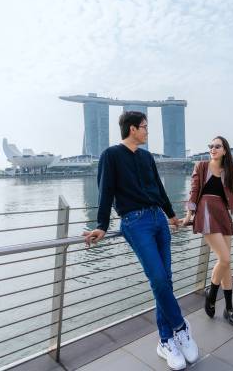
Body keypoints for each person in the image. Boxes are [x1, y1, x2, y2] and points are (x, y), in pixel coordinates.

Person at [83, 111, 198, 370]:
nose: (147, 132)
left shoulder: (147, 157)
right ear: (132, 129)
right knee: (157, 279)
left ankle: (166, 341)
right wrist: (102, 226)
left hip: (158, 219)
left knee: (165, 280)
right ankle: (180, 326)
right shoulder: (110, 155)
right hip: (135, 223)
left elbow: (158, 187)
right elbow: (106, 192)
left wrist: (171, 215)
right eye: (145, 127)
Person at [181, 136, 233, 327]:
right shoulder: (201, 166)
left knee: (226, 264)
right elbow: (194, 190)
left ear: (225, 151)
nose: (213, 149)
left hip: (222, 213)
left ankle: (229, 308)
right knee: (225, 259)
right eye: (211, 146)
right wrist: (189, 214)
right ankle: (212, 294)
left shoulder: (229, 171)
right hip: (206, 211)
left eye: (217, 146)